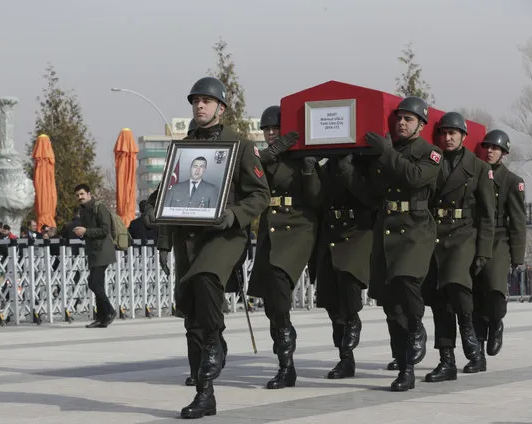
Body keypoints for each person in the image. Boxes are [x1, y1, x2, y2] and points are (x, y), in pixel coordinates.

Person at [141, 76, 270, 419]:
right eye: (195, 100)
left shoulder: (239, 145)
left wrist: (233, 215)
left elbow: (260, 194)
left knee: (206, 278)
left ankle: (217, 340)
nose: (199, 105)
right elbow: (168, 191)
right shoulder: (183, 147)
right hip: (189, 240)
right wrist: (151, 210)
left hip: (224, 236)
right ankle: (204, 394)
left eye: (206, 101)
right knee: (192, 317)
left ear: (221, 108)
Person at [339, 96, 442, 391]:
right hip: (386, 229)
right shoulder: (384, 152)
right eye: (399, 118)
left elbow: (413, 177)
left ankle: (418, 325)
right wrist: (346, 168)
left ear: (421, 124)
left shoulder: (430, 154)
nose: (401, 123)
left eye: (409, 119)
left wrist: (385, 152)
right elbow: (370, 194)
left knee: (406, 280)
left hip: (415, 229)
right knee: (390, 304)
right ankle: (405, 366)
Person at [421, 111, 495, 382]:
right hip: (435, 234)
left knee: (457, 286)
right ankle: (446, 360)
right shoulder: (432, 162)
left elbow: (488, 214)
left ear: (464, 136)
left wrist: (484, 250)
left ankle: (472, 342)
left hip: (464, 234)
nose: (447, 137)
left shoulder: (479, 168)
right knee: (439, 298)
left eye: (453, 133)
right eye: (443, 133)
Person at [247, 105, 315, 389]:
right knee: (271, 303)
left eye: (276, 129)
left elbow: (315, 198)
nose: (271, 134)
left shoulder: (298, 158)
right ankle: (285, 348)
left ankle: (286, 365)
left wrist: (311, 170)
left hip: (297, 227)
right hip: (269, 229)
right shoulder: (260, 158)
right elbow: (249, 172)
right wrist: (271, 153)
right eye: (267, 130)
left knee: (277, 286)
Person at [302, 152, 374, 380]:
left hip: (357, 232)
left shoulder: (363, 163)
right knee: (331, 299)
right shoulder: (326, 167)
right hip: (331, 232)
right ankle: (345, 358)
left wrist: (346, 166)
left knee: (349, 278)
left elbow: (367, 196)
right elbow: (316, 200)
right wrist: (309, 172)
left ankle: (353, 317)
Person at [474, 130, 526, 363]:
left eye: (495, 148)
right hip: (475, 236)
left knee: (495, 286)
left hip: (500, 239)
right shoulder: (475, 175)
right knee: (474, 293)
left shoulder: (512, 182)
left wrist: (517, 256)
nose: (490, 151)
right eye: (486, 147)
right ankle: (477, 351)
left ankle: (496, 322)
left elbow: (517, 221)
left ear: (503, 152)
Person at [73, 183, 118, 328]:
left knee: (93, 282)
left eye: (82, 194)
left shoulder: (100, 207)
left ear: (89, 194)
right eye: (77, 195)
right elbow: (88, 231)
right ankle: (101, 317)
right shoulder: (83, 211)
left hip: (102, 251)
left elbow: (105, 230)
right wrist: (80, 233)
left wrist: (85, 232)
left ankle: (109, 311)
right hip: (92, 251)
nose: (80, 197)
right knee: (98, 284)